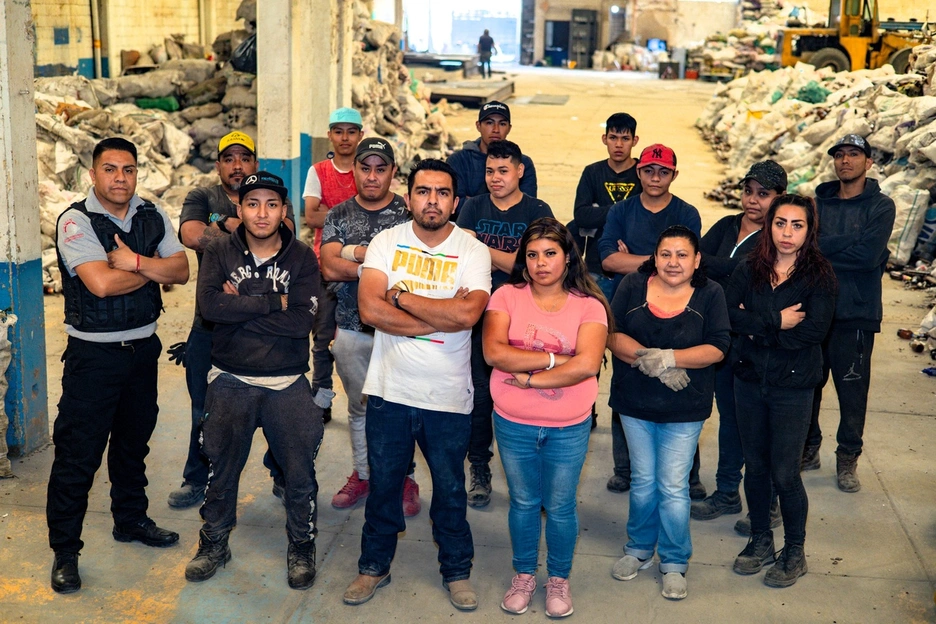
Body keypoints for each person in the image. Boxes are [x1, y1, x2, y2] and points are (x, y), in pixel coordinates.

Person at [342, 160, 491, 610]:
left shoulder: (473, 251)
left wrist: (402, 298)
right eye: (423, 191)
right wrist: (434, 317)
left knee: (449, 490)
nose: (432, 200)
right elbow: (369, 310)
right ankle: (373, 567)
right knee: (384, 486)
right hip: (390, 391)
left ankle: (456, 572)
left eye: (442, 193)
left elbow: (467, 316)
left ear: (455, 201)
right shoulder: (386, 242)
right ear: (409, 198)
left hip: (447, 395)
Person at [47, 137, 190, 593]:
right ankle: (65, 552)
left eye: (128, 169)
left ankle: (130, 521)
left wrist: (134, 261)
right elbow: (102, 284)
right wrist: (152, 269)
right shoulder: (76, 221)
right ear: (93, 174)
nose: (120, 178)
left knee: (133, 445)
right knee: (78, 455)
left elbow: (182, 271)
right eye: (110, 169)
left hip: (142, 352)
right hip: (94, 358)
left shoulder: (151, 214)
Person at [184, 172, 324, 589]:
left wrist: (240, 307)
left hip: (287, 379)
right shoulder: (219, 250)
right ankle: (214, 542)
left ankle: (301, 544)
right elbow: (210, 308)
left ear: (284, 211)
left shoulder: (301, 257)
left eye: (271, 204)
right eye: (252, 204)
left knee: (299, 474)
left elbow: (303, 322)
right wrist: (272, 303)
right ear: (239, 209)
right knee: (221, 470)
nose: (261, 213)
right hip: (229, 378)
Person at [483, 218, 610, 618]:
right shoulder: (505, 297)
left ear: (568, 257)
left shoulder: (590, 305)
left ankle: (558, 578)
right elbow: (495, 354)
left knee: (559, 506)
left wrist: (530, 380)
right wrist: (556, 360)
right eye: (533, 255)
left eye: (550, 254)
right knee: (522, 502)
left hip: (568, 426)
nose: (541, 263)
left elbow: (587, 365)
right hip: (513, 422)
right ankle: (524, 574)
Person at [169, 131, 295, 509]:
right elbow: (191, 234)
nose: (237, 165)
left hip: (266, 326)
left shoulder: (270, 191)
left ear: (255, 163)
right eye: (229, 158)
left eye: (245, 157)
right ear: (219, 165)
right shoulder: (202, 197)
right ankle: (197, 477)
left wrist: (226, 229)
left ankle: (283, 474)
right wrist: (241, 233)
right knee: (203, 409)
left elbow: (284, 233)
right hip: (210, 326)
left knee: (277, 406)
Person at [607, 225, 730, 601]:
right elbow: (612, 333)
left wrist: (674, 358)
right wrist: (654, 362)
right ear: (654, 257)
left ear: (696, 260)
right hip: (635, 403)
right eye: (665, 254)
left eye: (681, 255)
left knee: (673, 486)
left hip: (685, 407)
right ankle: (639, 549)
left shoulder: (711, 293)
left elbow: (719, 346)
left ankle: (674, 561)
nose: (673, 262)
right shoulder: (632, 285)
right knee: (644, 480)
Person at [726, 195, 836, 587]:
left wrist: (756, 329)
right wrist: (775, 320)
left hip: (794, 387)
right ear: (768, 226)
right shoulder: (748, 268)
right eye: (780, 223)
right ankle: (760, 539)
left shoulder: (820, 276)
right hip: (750, 381)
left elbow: (812, 332)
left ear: (810, 230)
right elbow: (727, 315)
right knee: (754, 467)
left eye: (797, 225)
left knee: (785, 473)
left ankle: (795, 550)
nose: (787, 233)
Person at [320, 137, 421, 515]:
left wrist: (353, 254)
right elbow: (329, 266)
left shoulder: (410, 215)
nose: (373, 176)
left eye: (381, 169)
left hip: (398, 330)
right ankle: (363, 473)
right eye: (366, 168)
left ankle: (403, 480)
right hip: (349, 328)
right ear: (355, 171)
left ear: (393, 173)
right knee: (360, 408)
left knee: (401, 408)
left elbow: (414, 268)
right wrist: (378, 264)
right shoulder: (339, 215)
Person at [597, 143, 703, 499]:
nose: (655, 177)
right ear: (638, 172)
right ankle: (624, 468)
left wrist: (639, 260)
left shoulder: (686, 213)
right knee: (627, 380)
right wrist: (658, 261)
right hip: (628, 307)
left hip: (678, 310)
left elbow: (685, 266)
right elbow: (608, 260)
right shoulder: (621, 210)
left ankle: (689, 475)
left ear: (674, 174)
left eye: (663, 171)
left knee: (681, 385)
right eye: (648, 170)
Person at [456, 140, 553, 508]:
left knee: (528, 394)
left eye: (503, 171)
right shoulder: (472, 206)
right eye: (489, 171)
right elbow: (462, 260)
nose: (495, 178)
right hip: (481, 314)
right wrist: (503, 257)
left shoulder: (537, 210)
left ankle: (532, 477)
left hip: (527, 315)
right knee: (481, 397)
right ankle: (479, 468)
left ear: (519, 171)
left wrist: (480, 245)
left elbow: (526, 266)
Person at [692, 160, 786, 532]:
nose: (753, 200)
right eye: (749, 191)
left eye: (764, 194)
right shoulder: (728, 226)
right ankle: (728, 491)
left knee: (761, 429)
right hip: (723, 342)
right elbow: (697, 262)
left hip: (759, 346)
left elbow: (756, 280)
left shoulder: (778, 237)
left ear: (779, 198)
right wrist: (727, 272)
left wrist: (721, 270)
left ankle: (770, 504)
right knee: (730, 420)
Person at [805, 134, 896, 492]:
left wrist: (823, 248)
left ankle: (847, 459)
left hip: (857, 312)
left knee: (853, 392)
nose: (846, 161)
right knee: (808, 385)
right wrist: (842, 247)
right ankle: (808, 449)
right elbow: (805, 249)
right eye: (840, 155)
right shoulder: (817, 204)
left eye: (854, 155)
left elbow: (869, 256)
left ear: (868, 162)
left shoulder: (881, 206)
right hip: (816, 310)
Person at [571, 112, 642, 488]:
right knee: (590, 349)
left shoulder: (642, 173)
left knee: (626, 350)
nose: (618, 144)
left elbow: (640, 212)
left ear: (634, 140)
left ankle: (623, 427)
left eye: (624, 138)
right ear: (605, 140)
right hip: (596, 271)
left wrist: (602, 216)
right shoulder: (592, 172)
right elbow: (578, 214)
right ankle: (586, 410)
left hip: (630, 275)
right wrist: (618, 217)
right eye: (613, 137)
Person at [303, 107, 365, 424]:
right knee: (324, 337)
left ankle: (371, 398)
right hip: (325, 268)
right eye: (338, 131)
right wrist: (355, 216)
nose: (344, 137)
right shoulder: (318, 171)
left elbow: (377, 212)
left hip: (364, 271)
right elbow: (310, 216)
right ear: (330, 134)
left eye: (351, 131)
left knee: (367, 338)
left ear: (361, 136)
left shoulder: (367, 170)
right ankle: (322, 399)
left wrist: (333, 214)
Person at [447, 101, 537, 203]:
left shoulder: (523, 162)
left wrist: (472, 202)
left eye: (502, 124)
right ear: (478, 126)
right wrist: (506, 201)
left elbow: (527, 207)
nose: (496, 129)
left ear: (509, 128)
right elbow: (454, 205)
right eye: (489, 123)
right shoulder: (458, 161)